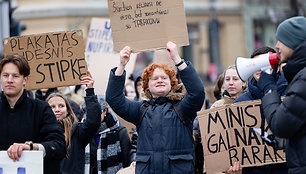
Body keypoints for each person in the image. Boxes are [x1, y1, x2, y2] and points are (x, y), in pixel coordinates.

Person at [106, 41, 205, 173]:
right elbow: (114, 99)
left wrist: (177, 59)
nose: (159, 80)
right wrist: (122, 64)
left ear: (172, 84)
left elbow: (197, 93)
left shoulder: (183, 108)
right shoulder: (140, 110)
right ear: (147, 86)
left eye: (164, 78)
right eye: (154, 78)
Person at [0, 54, 66, 174]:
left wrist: (32, 147)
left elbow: (59, 145)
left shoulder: (41, 108)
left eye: (15, 76)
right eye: (5, 75)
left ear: (25, 80)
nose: (9, 80)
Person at [256, 16, 306, 174]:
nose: (276, 45)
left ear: (293, 42)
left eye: (281, 40)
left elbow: (280, 124)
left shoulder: (303, 79)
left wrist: (269, 89)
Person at [234, 46, 288, 174]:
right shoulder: (240, 103)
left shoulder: (290, 94)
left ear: (277, 66)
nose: (258, 68)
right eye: (254, 64)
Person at [46, 72, 102, 174]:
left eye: (61, 106)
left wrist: (89, 90)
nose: (57, 109)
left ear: (67, 110)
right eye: (52, 107)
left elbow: (93, 121)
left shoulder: (77, 132)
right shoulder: (41, 131)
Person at [81, 95, 132, 174]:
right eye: (88, 112)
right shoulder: (81, 129)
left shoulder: (119, 130)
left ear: (105, 111)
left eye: (97, 112)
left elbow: (126, 160)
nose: (92, 116)